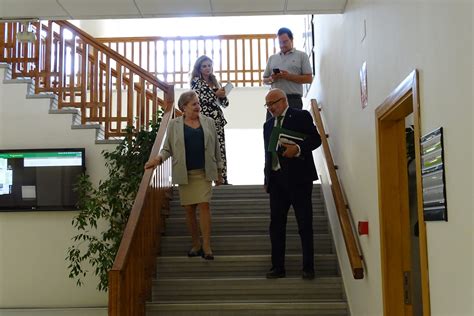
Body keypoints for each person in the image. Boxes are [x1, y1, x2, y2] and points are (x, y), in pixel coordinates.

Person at [145, 90, 223, 260]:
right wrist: (157, 159)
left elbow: (217, 148)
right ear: (184, 107)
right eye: (194, 104)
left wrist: (219, 170)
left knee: (204, 205)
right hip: (184, 173)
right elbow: (167, 148)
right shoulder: (174, 124)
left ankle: (207, 245)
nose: (198, 106)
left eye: (198, 103)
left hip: (204, 172)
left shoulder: (209, 122)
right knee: (189, 210)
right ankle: (196, 244)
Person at [263, 88, 321, 280]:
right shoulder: (268, 125)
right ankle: (277, 267)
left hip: (299, 180)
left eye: (274, 103)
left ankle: (308, 267)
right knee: (276, 225)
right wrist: (267, 178)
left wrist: (297, 149)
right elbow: (268, 153)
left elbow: (316, 139)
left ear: (284, 101)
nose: (271, 108)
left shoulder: (301, 116)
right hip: (277, 181)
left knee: (304, 223)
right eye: (268, 105)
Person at [190, 55, 230, 184]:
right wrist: (215, 94)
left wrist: (223, 96)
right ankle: (208, 179)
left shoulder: (215, 81)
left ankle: (222, 179)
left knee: (221, 149)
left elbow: (225, 104)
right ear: (199, 68)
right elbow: (198, 100)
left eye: (209, 65)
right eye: (204, 66)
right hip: (204, 118)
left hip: (217, 119)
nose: (207, 68)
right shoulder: (196, 81)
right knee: (207, 148)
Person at [263, 27, 313, 121]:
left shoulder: (302, 56)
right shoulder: (272, 58)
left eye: (285, 42)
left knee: (293, 131)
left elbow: (309, 79)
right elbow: (264, 80)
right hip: (273, 101)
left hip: (293, 100)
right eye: (280, 42)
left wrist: (288, 76)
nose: (282, 45)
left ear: (292, 40)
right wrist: (271, 79)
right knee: (271, 131)